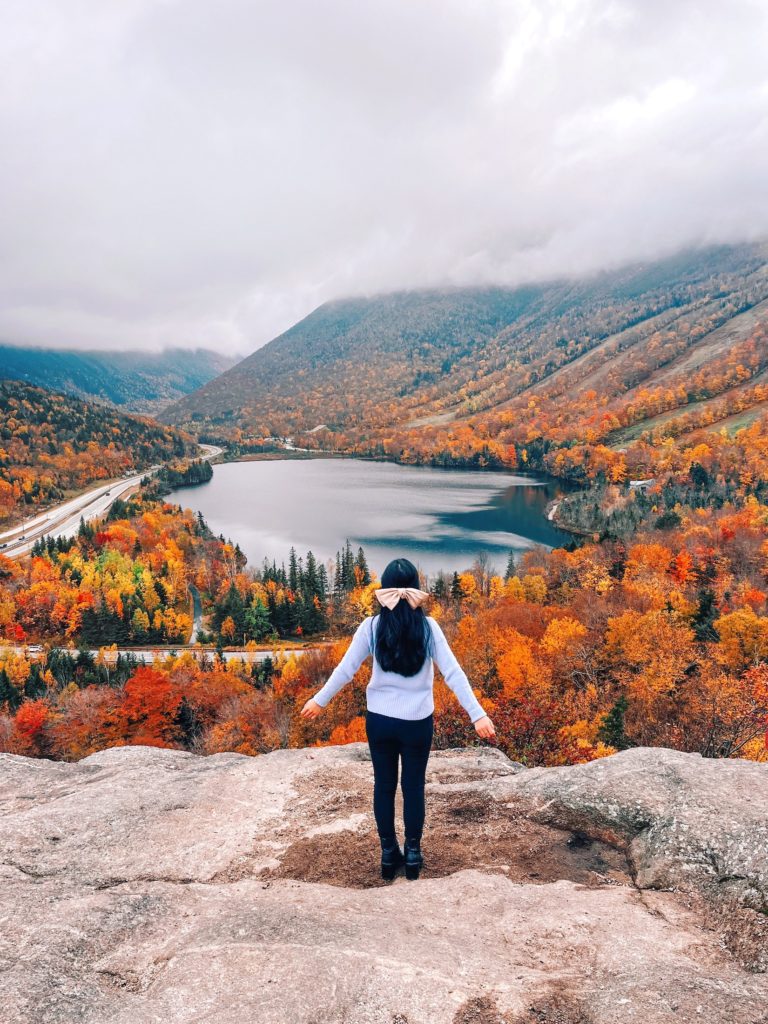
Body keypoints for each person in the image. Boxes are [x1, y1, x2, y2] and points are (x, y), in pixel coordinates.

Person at [300, 556, 496, 881]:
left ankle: (389, 854)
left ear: (384, 592)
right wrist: (478, 715)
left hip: (380, 721)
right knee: (414, 786)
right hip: (418, 723)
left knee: (384, 786)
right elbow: (453, 673)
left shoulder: (372, 627)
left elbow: (346, 671)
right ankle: (414, 854)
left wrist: (319, 701)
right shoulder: (429, 627)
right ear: (416, 592)